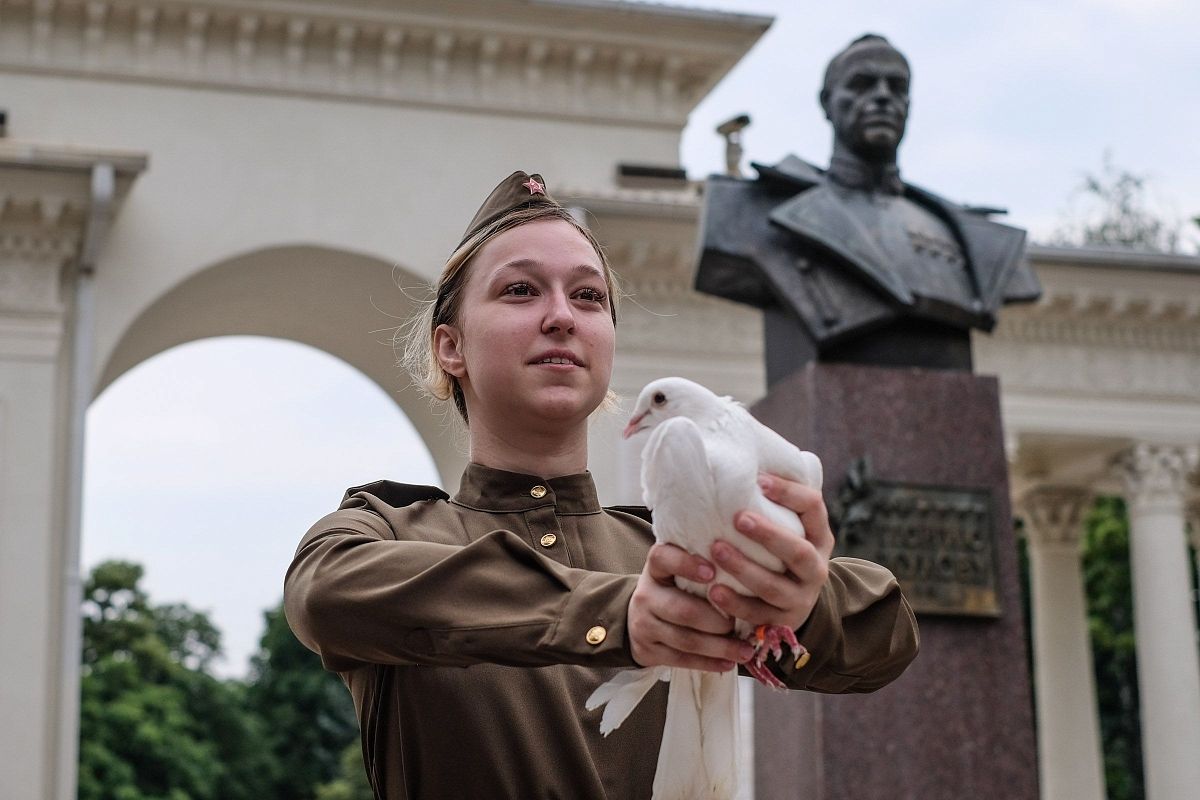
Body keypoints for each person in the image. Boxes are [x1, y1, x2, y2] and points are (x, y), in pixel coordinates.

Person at [284, 171, 919, 799]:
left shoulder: (669, 546)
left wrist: (798, 599)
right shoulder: (387, 532)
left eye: (588, 297)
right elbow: (326, 591)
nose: (562, 315)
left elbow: (885, 632)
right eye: (521, 290)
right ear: (451, 348)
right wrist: (618, 617)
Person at [695, 34, 1041, 383]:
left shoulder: (975, 239)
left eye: (897, 87)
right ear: (827, 103)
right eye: (862, 85)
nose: (881, 97)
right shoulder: (751, 211)